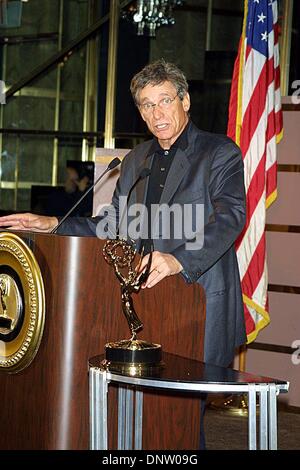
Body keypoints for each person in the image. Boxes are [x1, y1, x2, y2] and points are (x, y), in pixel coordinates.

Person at [0, 59, 246, 447]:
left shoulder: (219, 153)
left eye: (165, 101)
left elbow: (229, 218)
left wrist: (176, 258)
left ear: (185, 101)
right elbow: (113, 226)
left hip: (197, 301)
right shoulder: (135, 161)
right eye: (147, 105)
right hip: (147, 303)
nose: (156, 113)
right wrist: (54, 224)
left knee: (180, 417)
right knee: (144, 414)